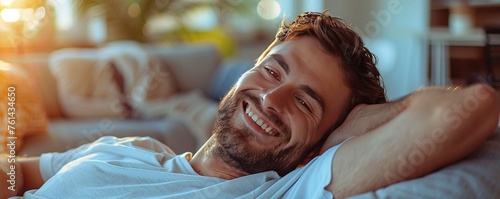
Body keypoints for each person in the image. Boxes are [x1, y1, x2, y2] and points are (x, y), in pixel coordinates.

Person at [1, 11, 498, 198]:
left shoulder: (281, 191)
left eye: (305, 102)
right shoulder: (128, 146)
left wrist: (350, 128)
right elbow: (18, 176)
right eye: (271, 70)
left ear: (320, 146)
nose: (270, 97)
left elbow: (467, 108)